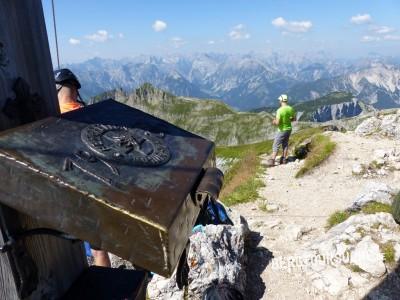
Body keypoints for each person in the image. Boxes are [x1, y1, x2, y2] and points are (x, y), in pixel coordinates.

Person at [54, 68, 111, 268]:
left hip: (62, 190)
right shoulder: (89, 115)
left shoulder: (50, 117)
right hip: (95, 187)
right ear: (75, 90)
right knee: (98, 248)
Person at [268, 94, 296, 166]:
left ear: (282, 100)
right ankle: (283, 159)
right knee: (285, 144)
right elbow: (294, 119)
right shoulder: (290, 108)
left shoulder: (279, 110)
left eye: (279, 100)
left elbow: (277, 122)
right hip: (289, 129)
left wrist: (273, 121)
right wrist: (287, 120)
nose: (279, 101)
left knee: (276, 145)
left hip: (282, 130)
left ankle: (272, 160)